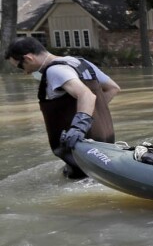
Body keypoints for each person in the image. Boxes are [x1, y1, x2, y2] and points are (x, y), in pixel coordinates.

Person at [4, 37, 120, 179]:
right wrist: (93, 114)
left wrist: (79, 128)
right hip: (105, 143)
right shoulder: (80, 62)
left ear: (28, 58)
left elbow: (86, 95)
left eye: (21, 67)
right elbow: (113, 88)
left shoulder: (55, 71)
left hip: (82, 148)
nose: (25, 72)